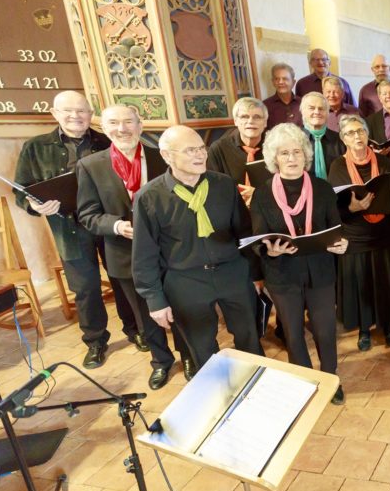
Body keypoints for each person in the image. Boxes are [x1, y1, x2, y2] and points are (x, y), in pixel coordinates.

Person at [15, 90, 139, 369]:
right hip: (68, 228)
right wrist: (34, 205)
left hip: (108, 222)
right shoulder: (36, 147)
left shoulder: (107, 140)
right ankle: (95, 341)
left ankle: (135, 330)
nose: (75, 116)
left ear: (91, 114)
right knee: (85, 287)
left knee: (123, 278)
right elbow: (21, 190)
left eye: (82, 110)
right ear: (55, 114)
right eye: (68, 111)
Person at [132, 125, 264, 370]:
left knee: (250, 337)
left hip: (232, 273)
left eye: (202, 148)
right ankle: (216, 388)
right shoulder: (149, 197)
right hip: (185, 280)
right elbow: (144, 255)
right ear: (167, 156)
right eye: (190, 150)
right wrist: (155, 300)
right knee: (202, 348)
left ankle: (256, 382)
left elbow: (244, 233)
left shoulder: (224, 185)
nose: (200, 155)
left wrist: (256, 274)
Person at [76, 105, 183, 389]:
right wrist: (117, 226)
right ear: (104, 127)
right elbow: (87, 214)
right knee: (145, 314)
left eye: (128, 122)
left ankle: (189, 357)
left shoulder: (162, 157)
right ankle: (161, 362)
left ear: (140, 125)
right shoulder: (90, 165)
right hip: (125, 254)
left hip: (171, 250)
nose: (121, 129)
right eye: (113, 123)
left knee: (181, 306)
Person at [250, 123, 349, 405]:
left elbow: (336, 227)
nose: (292, 158)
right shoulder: (262, 193)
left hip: (320, 271)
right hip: (282, 274)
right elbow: (257, 237)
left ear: (305, 154)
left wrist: (342, 243)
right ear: (274, 157)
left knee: (325, 330)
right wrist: (269, 250)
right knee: (293, 333)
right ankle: (304, 380)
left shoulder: (322, 188)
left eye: (296, 152)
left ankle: (330, 378)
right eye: (284, 153)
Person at [328, 115, 390, 351]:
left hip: (383, 233)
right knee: (361, 282)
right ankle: (364, 329)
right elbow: (333, 206)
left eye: (360, 131)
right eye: (350, 133)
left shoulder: (383, 162)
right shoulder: (338, 166)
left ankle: (388, 325)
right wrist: (352, 208)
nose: (357, 136)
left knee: (385, 281)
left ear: (367, 134)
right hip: (355, 234)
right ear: (343, 139)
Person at [207, 97, 269, 202]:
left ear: (265, 122)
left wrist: (259, 195)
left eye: (257, 117)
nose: (251, 121)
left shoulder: (276, 147)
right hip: (231, 206)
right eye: (244, 117)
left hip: (268, 206)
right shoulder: (218, 149)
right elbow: (213, 187)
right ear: (235, 121)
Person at [301, 92, 345, 179]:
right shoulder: (294, 140)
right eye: (312, 108)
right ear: (303, 112)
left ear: (328, 113)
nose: (317, 112)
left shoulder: (340, 140)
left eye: (321, 109)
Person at [263, 63, 300, 129]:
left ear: (293, 82)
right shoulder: (265, 106)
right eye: (277, 79)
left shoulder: (303, 103)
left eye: (285, 79)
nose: (280, 82)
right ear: (273, 82)